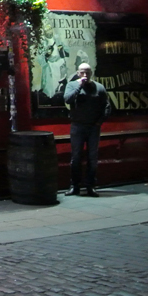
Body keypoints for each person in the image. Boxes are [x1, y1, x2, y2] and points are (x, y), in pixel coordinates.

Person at [64, 63, 111, 197]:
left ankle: (90, 186)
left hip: (93, 127)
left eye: (88, 72)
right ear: (78, 73)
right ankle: (75, 186)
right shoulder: (72, 85)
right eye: (82, 72)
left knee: (92, 157)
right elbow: (68, 99)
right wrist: (79, 86)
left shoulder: (99, 87)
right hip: (77, 125)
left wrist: (99, 122)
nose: (85, 75)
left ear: (91, 73)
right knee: (76, 157)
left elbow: (106, 106)